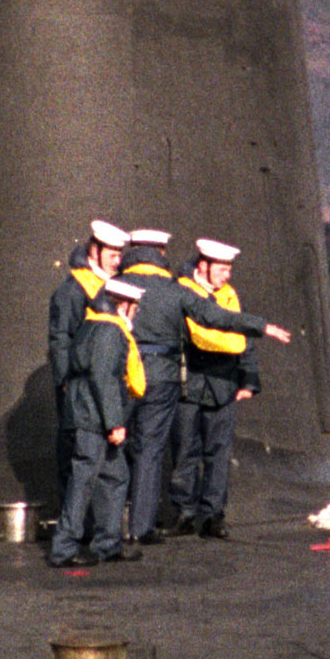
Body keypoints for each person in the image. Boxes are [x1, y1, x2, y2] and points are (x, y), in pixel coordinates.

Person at [171, 236, 294, 538]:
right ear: (204, 266)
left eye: (229, 269)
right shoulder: (181, 293)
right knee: (185, 451)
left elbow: (242, 339)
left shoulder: (228, 295)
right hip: (188, 384)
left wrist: (249, 379)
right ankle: (184, 513)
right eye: (222, 269)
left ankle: (213, 515)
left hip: (223, 384)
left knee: (218, 453)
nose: (228, 275)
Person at [45, 218, 127, 567]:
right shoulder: (72, 291)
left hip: (104, 391)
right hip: (82, 393)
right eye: (110, 253)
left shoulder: (113, 288)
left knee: (112, 471)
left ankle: (106, 542)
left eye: (119, 254)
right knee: (83, 471)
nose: (116, 260)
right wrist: (64, 384)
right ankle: (68, 545)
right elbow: (60, 339)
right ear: (94, 250)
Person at [72, 273, 151, 563]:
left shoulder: (104, 327)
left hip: (98, 413)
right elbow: (105, 380)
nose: (137, 312)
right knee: (89, 477)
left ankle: (107, 543)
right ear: (123, 305)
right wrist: (114, 423)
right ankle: (79, 545)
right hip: (99, 417)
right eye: (134, 306)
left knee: (115, 476)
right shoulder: (109, 332)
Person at [118, 228, 190, 541]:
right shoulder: (173, 290)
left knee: (109, 445)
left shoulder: (113, 286)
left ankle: (103, 522)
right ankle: (141, 527)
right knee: (150, 451)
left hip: (118, 375)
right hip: (161, 375)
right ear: (161, 252)